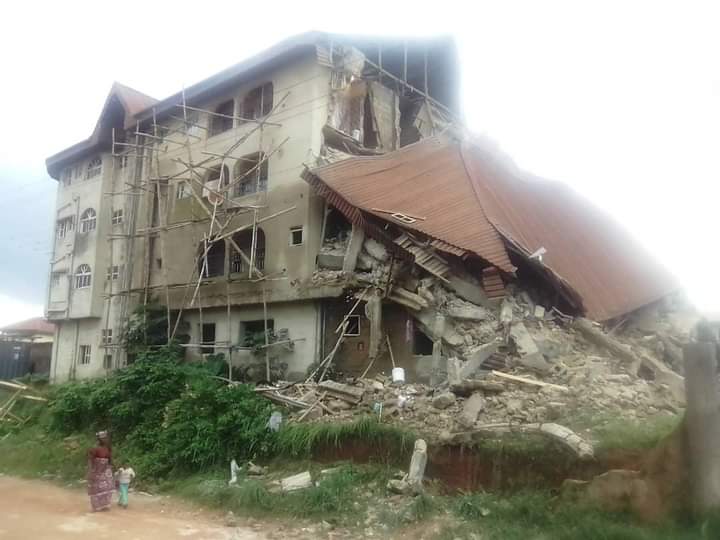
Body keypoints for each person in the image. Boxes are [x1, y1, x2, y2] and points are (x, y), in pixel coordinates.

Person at [87, 430, 114, 512]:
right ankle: (96, 507)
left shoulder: (108, 448)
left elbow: (110, 459)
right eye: (103, 438)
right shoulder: (94, 449)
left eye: (106, 438)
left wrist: (112, 468)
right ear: (99, 439)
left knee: (107, 488)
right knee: (96, 488)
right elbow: (90, 460)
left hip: (106, 471)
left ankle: (105, 505)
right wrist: (91, 471)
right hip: (97, 470)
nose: (105, 440)